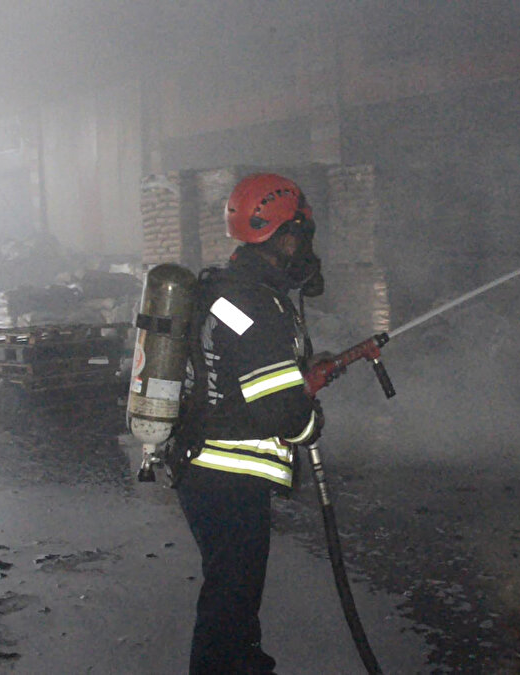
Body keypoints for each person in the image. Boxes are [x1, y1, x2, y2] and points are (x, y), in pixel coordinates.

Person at [173, 173, 326, 674]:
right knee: (229, 602)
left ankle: (245, 665)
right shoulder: (255, 302)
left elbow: (246, 371)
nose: (304, 247)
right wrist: (309, 422)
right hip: (228, 478)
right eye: (300, 234)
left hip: (203, 469)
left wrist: (300, 376)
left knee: (233, 596)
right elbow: (280, 410)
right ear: (281, 236)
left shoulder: (226, 290)